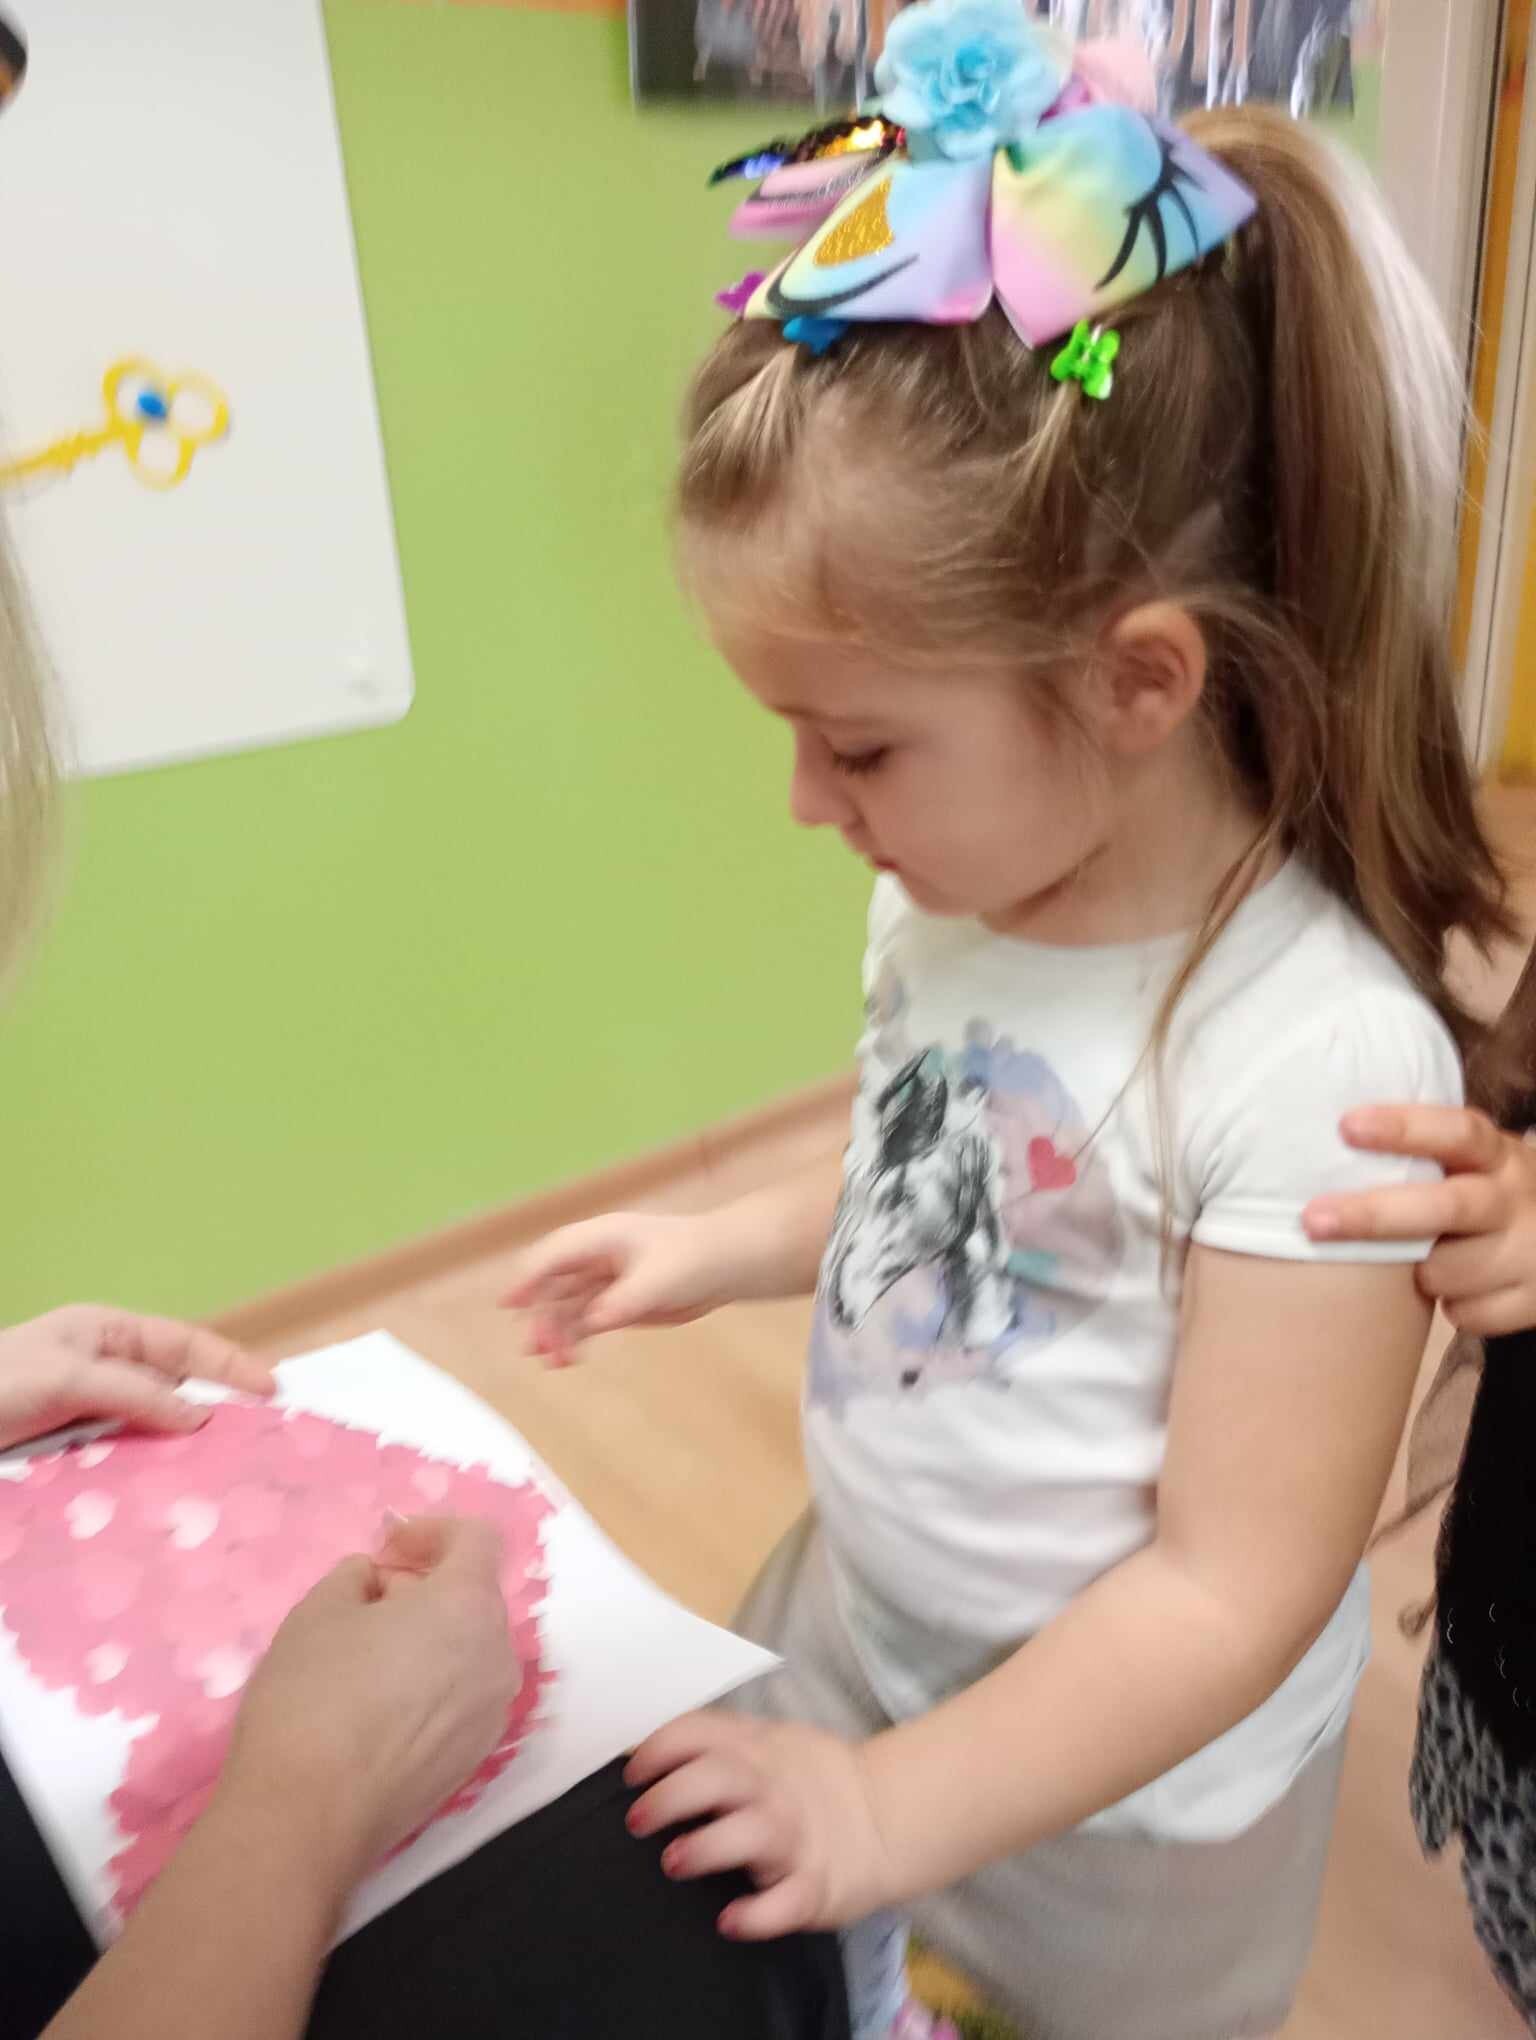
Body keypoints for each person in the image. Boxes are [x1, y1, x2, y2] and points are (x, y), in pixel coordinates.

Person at [506, 10, 1535, 2037]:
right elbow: (941, 1174)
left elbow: (1234, 1592)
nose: (808, 804)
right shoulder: (948, 900)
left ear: (1138, 683)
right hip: (858, 1626)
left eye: (861, 744)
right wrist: (718, 1248)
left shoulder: (1318, 1064)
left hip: (1125, 1820)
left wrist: (891, 1810)